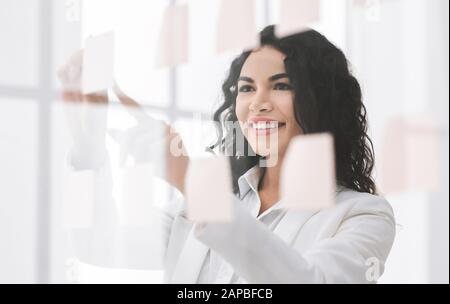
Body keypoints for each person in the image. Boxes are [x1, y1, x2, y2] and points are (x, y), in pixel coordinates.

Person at [58, 25, 395, 283]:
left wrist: (190, 182)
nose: (258, 104)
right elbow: (95, 243)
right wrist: (87, 147)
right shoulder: (197, 208)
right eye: (246, 88)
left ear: (323, 101)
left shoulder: (363, 215)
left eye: (281, 85)